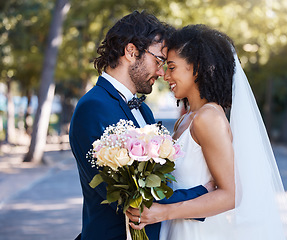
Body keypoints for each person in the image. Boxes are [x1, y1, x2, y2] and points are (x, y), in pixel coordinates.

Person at [126, 25, 287, 239]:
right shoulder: (185, 120)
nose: (165, 75)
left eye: (172, 67)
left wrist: (164, 212)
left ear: (196, 68)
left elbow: (231, 195)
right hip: (175, 229)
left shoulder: (209, 118)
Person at [69, 12, 210, 240]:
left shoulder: (143, 110)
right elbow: (127, 196)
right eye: (158, 61)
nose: (161, 72)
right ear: (131, 51)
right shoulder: (93, 107)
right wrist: (204, 193)